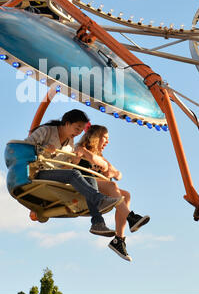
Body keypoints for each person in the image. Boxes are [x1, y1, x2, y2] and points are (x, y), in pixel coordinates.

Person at [23, 110, 122, 236]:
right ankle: (99, 199)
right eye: (77, 128)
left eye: (81, 130)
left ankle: (98, 223)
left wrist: (74, 161)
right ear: (67, 123)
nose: (78, 132)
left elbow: (63, 167)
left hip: (55, 174)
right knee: (74, 174)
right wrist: (44, 149)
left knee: (90, 179)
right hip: (38, 172)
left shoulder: (69, 144)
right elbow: (25, 147)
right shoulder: (46, 131)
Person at [75, 125, 150, 261]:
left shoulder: (100, 156)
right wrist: (103, 165)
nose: (107, 142)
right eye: (105, 138)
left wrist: (112, 171)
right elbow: (96, 163)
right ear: (95, 137)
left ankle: (119, 240)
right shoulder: (79, 149)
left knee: (126, 195)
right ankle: (131, 217)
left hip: (99, 187)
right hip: (83, 185)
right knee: (112, 185)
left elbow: (118, 174)